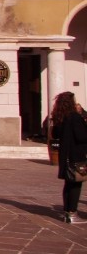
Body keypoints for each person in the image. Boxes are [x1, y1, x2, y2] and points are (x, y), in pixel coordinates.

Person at [52, 91, 87, 223]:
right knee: (76, 184)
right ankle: (72, 213)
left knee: (68, 184)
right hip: (76, 156)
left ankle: (67, 212)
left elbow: (55, 134)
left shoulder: (60, 117)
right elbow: (82, 136)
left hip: (65, 156)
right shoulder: (74, 117)